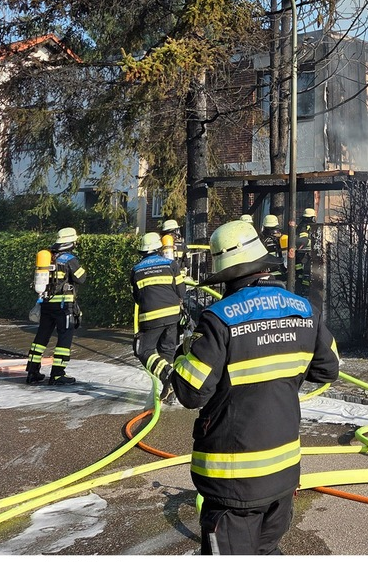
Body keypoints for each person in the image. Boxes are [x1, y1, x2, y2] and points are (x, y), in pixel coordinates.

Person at [146, 219, 339, 555]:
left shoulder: (219, 319)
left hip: (233, 480)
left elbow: (191, 392)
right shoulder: (305, 310)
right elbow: (328, 368)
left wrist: (170, 356)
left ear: (227, 276)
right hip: (283, 473)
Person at [26, 227, 87, 386]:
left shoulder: (49, 256)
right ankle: (58, 374)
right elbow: (82, 278)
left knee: (41, 337)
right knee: (65, 337)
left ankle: (32, 372)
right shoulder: (69, 259)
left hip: (46, 303)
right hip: (63, 306)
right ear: (70, 242)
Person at [131, 232, 184, 401]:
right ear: (159, 248)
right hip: (173, 315)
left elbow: (137, 298)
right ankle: (170, 390)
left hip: (151, 317)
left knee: (143, 350)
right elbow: (182, 292)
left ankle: (168, 375)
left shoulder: (136, 270)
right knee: (167, 351)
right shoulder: (171, 264)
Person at [294, 207, 317, 297]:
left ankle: (301, 291)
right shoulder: (305, 227)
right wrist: (314, 243)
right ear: (311, 218)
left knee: (300, 275)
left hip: (300, 255)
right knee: (306, 275)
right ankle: (305, 292)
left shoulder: (301, 225)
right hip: (304, 255)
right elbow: (303, 240)